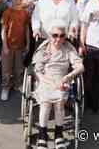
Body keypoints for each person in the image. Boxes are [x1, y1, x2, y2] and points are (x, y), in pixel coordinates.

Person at [33, 19, 84, 149]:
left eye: (62, 35)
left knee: (60, 101)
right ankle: (42, 136)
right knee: (45, 102)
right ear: (50, 35)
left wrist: (67, 78)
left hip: (62, 80)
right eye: (55, 35)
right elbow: (37, 71)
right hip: (45, 80)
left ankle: (59, 134)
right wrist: (50, 82)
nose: (58, 39)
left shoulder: (68, 48)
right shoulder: (44, 48)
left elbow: (80, 67)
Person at [1, 0, 30, 101]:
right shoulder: (7, 12)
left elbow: (27, 28)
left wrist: (27, 43)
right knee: (7, 69)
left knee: (19, 68)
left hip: (20, 46)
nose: (17, 2)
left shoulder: (25, 13)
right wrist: (4, 46)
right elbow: (3, 30)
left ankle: (18, 84)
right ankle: (5, 87)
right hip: (8, 46)